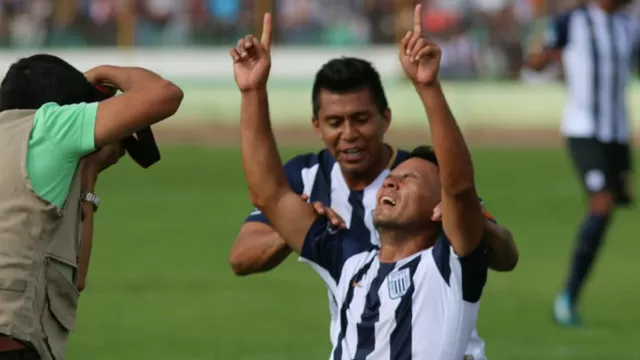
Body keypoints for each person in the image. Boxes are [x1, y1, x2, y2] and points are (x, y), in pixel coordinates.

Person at [229, 10, 518, 360]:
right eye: (335, 122)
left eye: (361, 119)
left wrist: (427, 87)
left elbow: (460, 189)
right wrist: (252, 90)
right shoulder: (349, 259)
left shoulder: (446, 261)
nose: (389, 184)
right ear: (317, 125)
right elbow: (268, 195)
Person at [0, 54, 183, 359]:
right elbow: (164, 94)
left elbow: (74, 278)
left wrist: (88, 176)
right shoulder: (48, 125)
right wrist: (104, 72)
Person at [525, 0, 635, 327]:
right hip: (584, 130)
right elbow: (538, 61)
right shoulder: (572, 21)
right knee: (601, 204)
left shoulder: (628, 27)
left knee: (610, 208)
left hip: (618, 134)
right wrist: (540, 60)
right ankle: (567, 298)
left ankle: (571, 296)